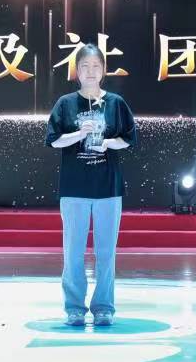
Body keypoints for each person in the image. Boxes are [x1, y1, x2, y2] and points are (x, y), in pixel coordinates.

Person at [46, 44, 137, 327]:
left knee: (106, 252)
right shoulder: (65, 104)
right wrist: (78, 134)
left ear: (104, 70)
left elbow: (128, 139)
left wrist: (107, 143)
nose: (90, 71)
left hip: (108, 188)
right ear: (76, 70)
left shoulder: (116, 103)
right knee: (73, 252)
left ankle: (104, 307)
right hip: (74, 188)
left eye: (96, 65)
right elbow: (54, 140)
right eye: (84, 66)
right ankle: (74, 307)